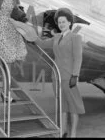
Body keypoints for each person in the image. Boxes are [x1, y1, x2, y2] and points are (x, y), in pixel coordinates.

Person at [35, 8, 85, 138]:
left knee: (73, 106)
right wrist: (29, 35)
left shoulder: (76, 37)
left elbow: (78, 57)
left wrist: (75, 75)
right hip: (56, 76)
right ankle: (63, 131)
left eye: (64, 21)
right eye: (59, 22)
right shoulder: (56, 37)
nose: (61, 24)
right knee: (62, 105)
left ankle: (73, 134)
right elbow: (42, 43)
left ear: (69, 22)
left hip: (69, 77)